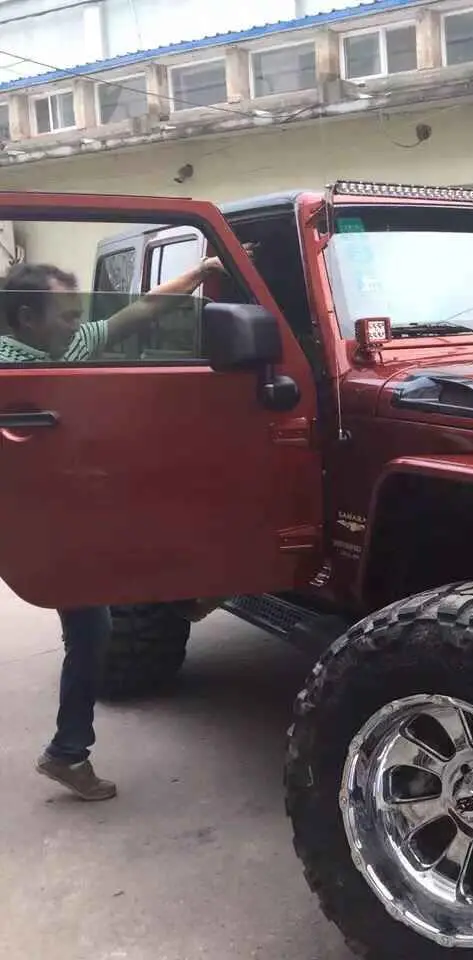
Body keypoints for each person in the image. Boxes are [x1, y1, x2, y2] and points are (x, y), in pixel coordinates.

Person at [0, 251, 233, 801]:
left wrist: (200, 273)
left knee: (96, 623)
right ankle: (67, 752)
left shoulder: (65, 346)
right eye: (66, 314)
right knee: (93, 624)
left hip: (66, 511)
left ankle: (68, 752)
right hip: (34, 518)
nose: (78, 324)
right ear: (27, 319)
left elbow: (140, 311)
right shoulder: (10, 365)